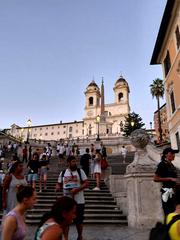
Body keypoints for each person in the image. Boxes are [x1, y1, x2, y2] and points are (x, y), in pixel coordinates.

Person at [55, 156, 88, 240]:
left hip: (79, 200)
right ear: (68, 163)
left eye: (75, 161)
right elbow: (58, 183)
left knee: (79, 221)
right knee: (65, 221)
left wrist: (77, 189)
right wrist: (58, 187)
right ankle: (66, 238)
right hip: (66, 201)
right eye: (73, 161)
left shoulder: (80, 172)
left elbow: (86, 183)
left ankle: (80, 236)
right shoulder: (62, 173)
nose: (75, 163)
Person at [154, 147, 179, 217]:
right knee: (169, 214)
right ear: (165, 154)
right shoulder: (162, 164)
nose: (173, 155)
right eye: (171, 153)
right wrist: (170, 179)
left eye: (174, 153)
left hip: (174, 192)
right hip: (167, 193)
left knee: (174, 214)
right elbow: (155, 178)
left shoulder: (172, 165)